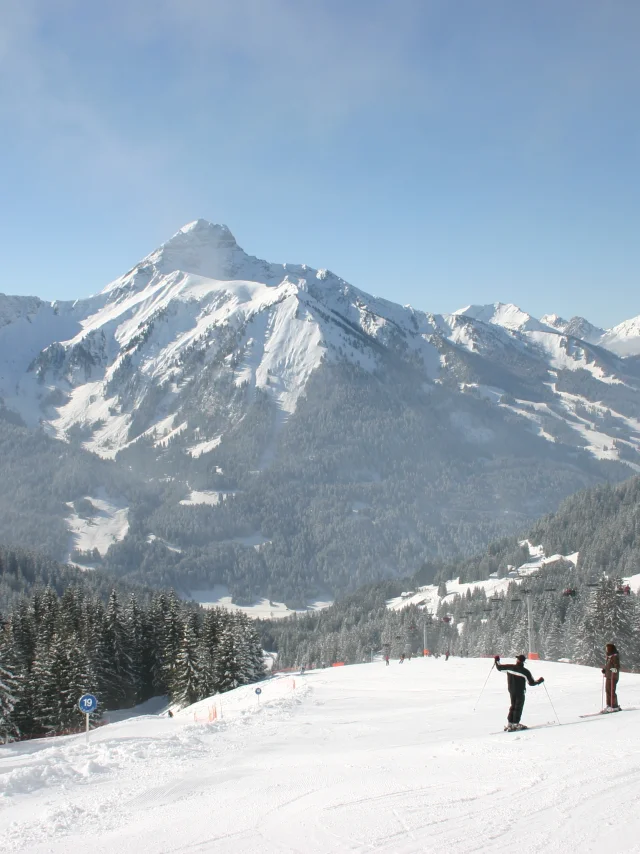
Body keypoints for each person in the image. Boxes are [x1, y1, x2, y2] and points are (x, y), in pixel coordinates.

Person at [494, 654, 544, 731]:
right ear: (523, 662)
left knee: (513, 705)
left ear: (517, 660)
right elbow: (531, 683)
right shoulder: (525, 672)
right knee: (518, 707)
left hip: (511, 690)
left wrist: (497, 660)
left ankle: (510, 723)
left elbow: (499, 668)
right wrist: (540, 681)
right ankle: (515, 723)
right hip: (520, 692)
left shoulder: (510, 667)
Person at [602, 643, 621, 711]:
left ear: (611, 649)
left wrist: (613, 670)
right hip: (608, 676)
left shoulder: (614, 656)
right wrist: (605, 670)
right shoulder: (609, 657)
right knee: (607, 691)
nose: (606, 650)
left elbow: (616, 667)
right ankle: (609, 705)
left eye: (607, 648)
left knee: (611, 691)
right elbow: (608, 666)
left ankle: (614, 706)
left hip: (613, 677)